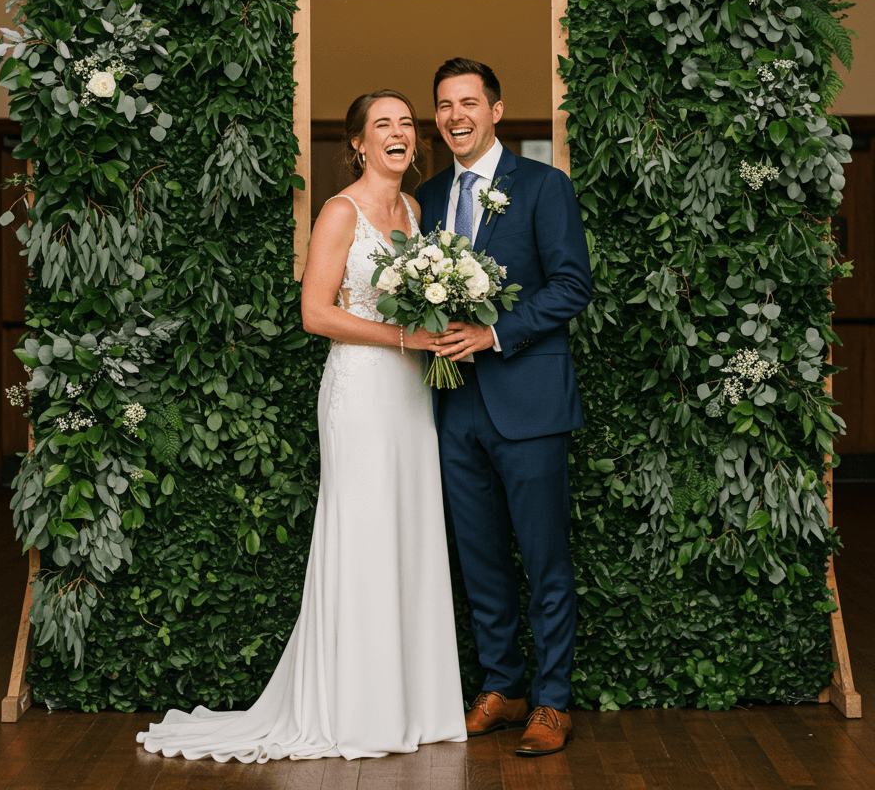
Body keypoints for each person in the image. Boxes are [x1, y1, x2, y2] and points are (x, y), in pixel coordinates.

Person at [137, 90, 466, 762]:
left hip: (411, 395)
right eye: (383, 125)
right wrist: (405, 333)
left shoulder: (414, 210)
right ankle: (356, 710)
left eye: (406, 123)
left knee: (410, 531)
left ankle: (417, 706)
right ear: (358, 143)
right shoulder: (339, 211)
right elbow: (315, 313)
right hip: (362, 390)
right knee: (365, 534)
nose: (398, 133)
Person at [417, 58, 592, 758]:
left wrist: (495, 333)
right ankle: (502, 686)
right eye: (443, 105)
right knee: (479, 556)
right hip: (453, 403)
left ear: (495, 109)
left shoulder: (545, 187)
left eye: (468, 102)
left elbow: (572, 285)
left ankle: (552, 701)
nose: (455, 115)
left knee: (545, 557)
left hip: (529, 401)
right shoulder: (426, 197)